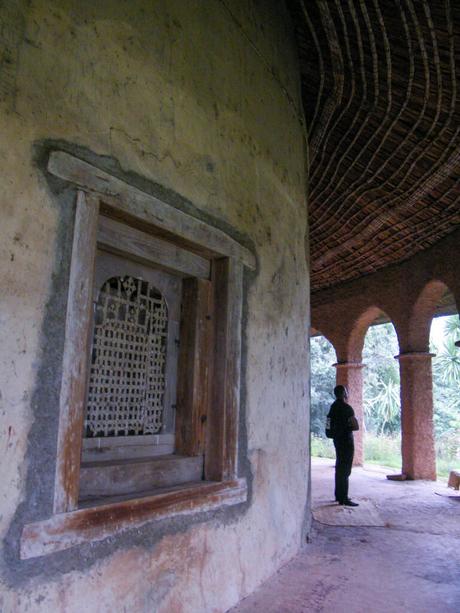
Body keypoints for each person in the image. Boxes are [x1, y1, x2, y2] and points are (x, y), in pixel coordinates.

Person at [327, 385, 359, 507]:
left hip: (337, 441)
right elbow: (355, 426)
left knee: (339, 467)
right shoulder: (347, 409)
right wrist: (347, 427)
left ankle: (338, 495)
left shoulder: (333, 408)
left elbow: (328, 424)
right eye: (346, 391)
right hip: (347, 441)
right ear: (344, 393)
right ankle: (344, 498)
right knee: (345, 470)